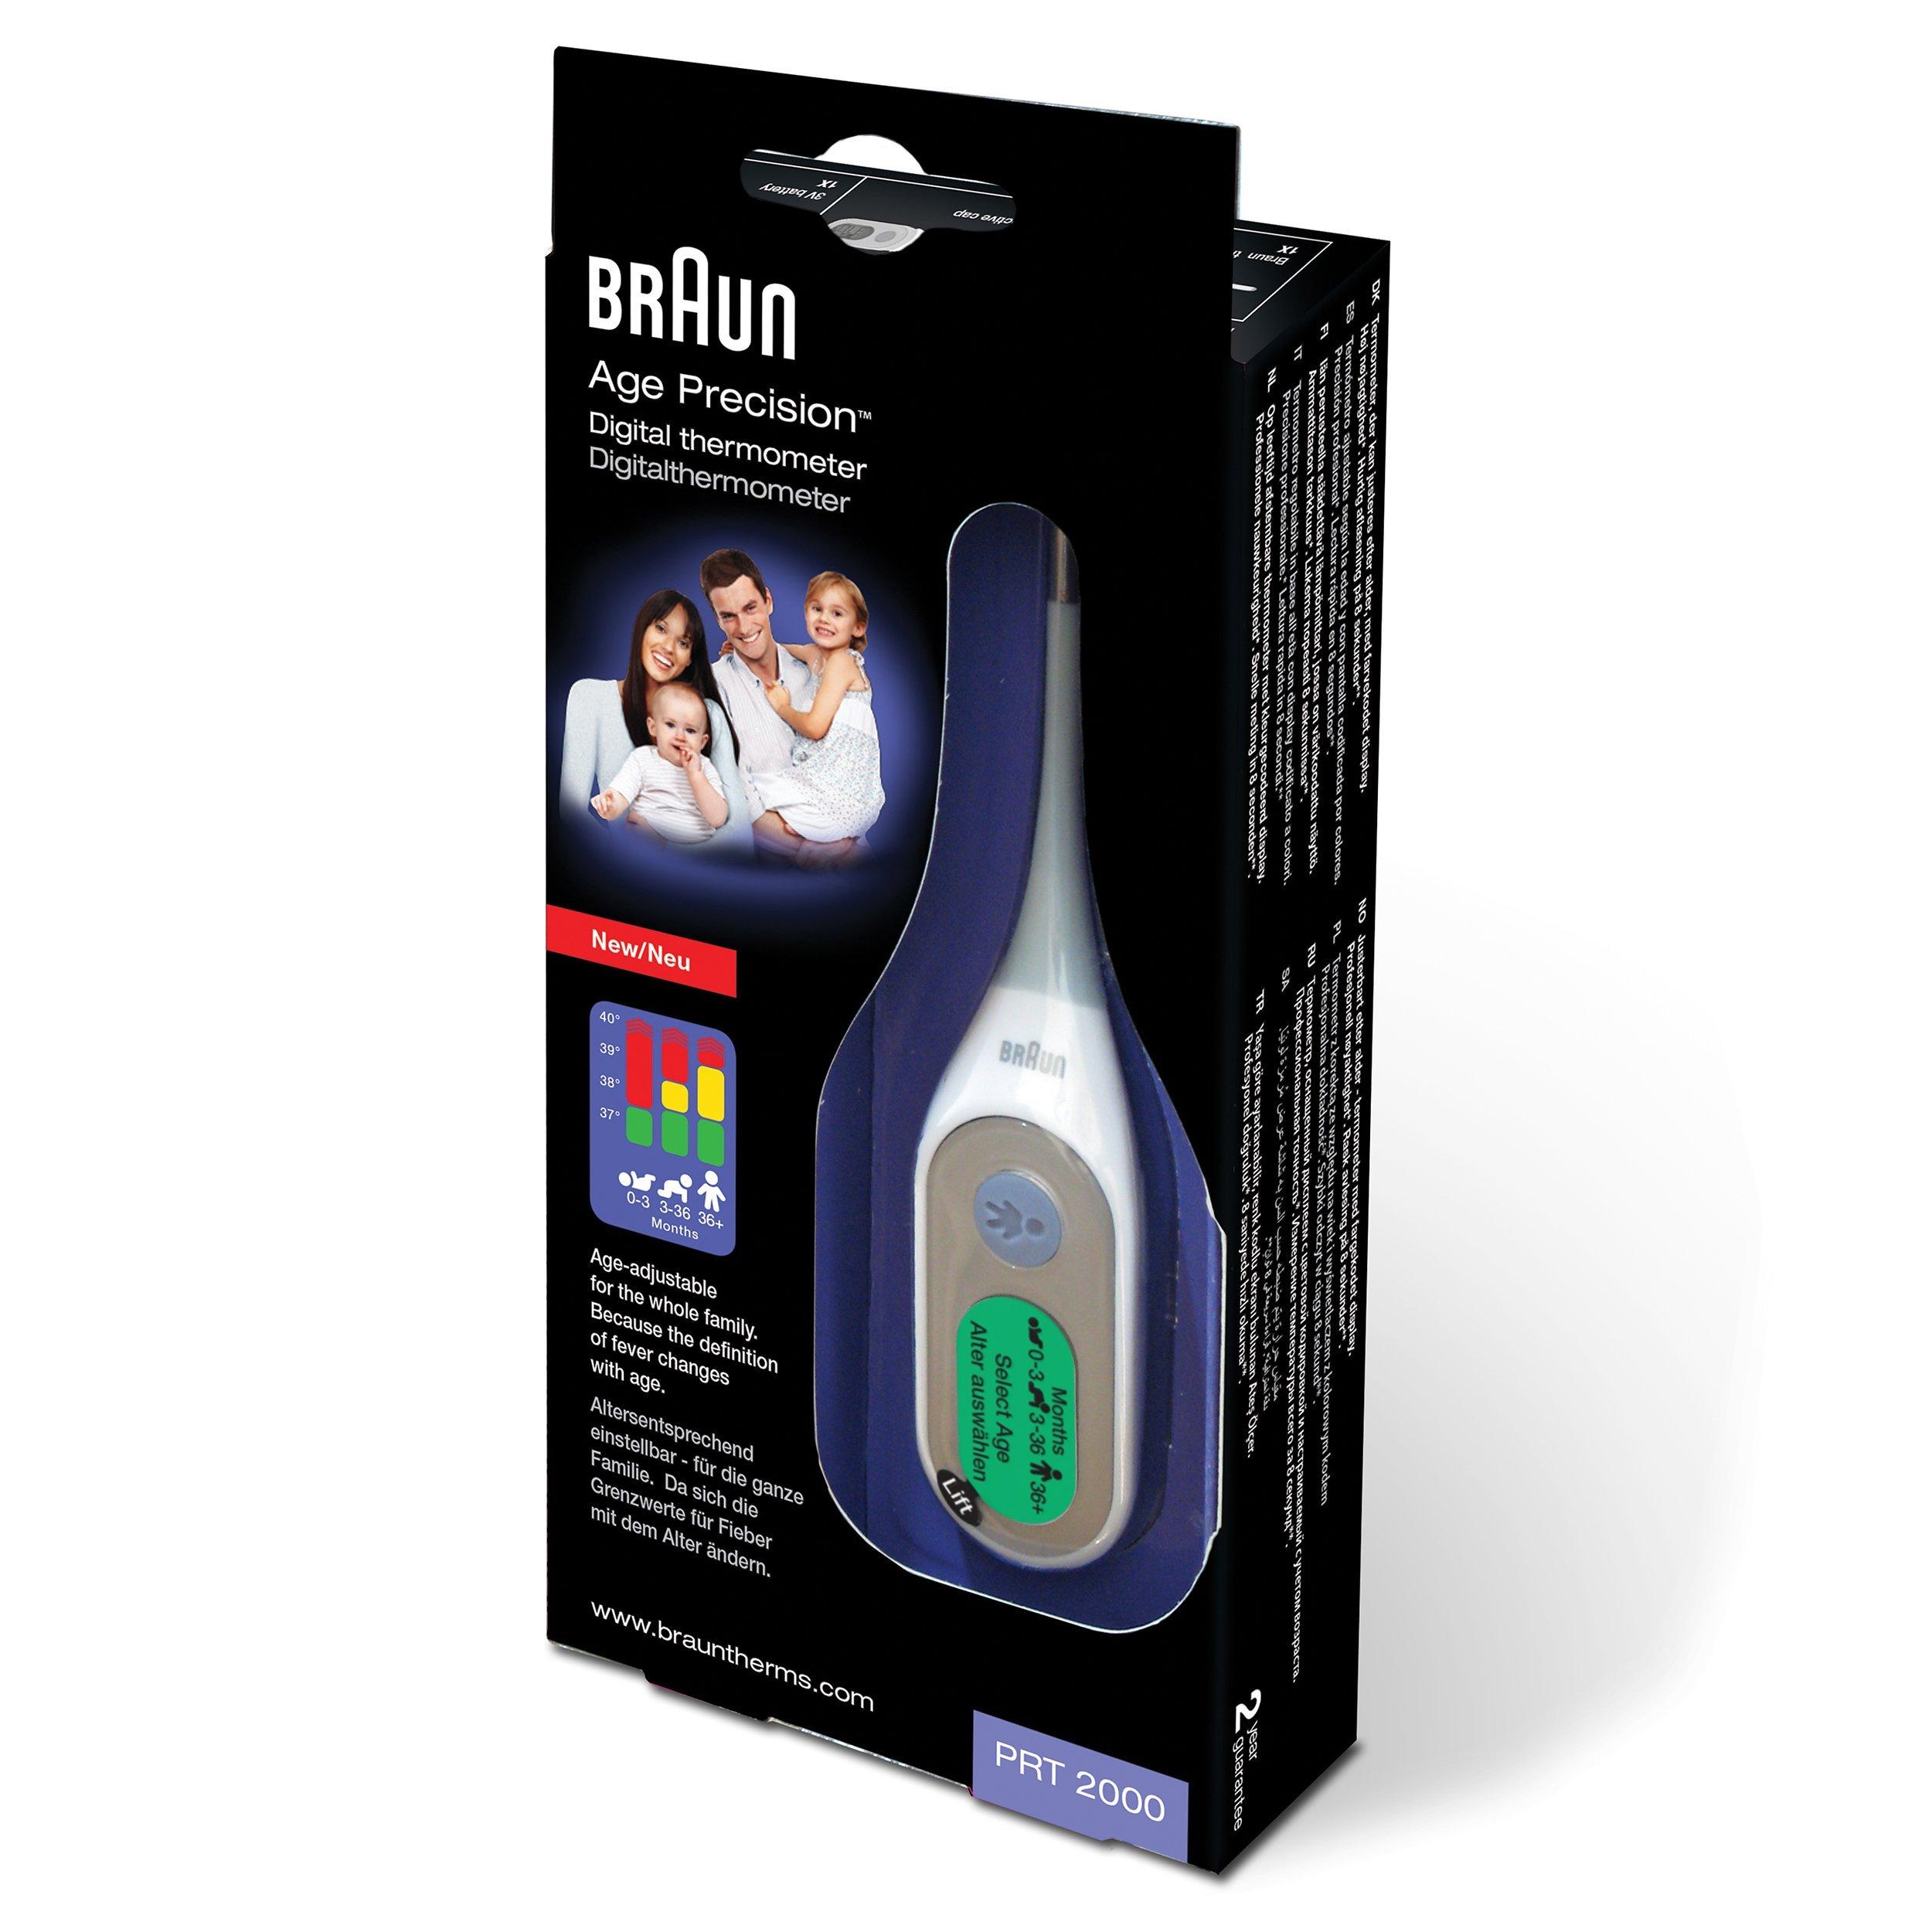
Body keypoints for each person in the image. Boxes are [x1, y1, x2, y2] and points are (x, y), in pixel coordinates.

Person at [558, 588, 753, 851]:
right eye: (661, 629)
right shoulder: (590, 697)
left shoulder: (708, 715)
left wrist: (662, 850)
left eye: (683, 643)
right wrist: (631, 859)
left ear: (690, 659)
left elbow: (740, 834)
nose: (669, 648)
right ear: (642, 630)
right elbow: (572, 814)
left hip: (702, 873)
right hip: (625, 871)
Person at [699, 549, 859, 864]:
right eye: (729, 616)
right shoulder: (712, 688)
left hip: (851, 851)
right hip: (782, 866)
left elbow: (851, 760)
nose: (744, 627)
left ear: (768, 601)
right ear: (718, 620)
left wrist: (845, 842)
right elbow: (738, 795)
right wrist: (813, 850)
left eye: (750, 608)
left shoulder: (815, 674)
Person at [751, 571, 885, 843]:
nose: (824, 619)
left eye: (837, 613)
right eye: (817, 609)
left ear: (858, 628)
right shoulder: (814, 654)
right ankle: (825, 846)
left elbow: (815, 727)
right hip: (824, 780)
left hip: (841, 794)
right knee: (752, 794)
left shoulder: (842, 662)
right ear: (806, 613)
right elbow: (779, 649)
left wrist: (782, 707)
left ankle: (830, 847)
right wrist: (746, 646)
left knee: (745, 791)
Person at [590, 683, 730, 845]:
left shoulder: (704, 767)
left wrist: (696, 776)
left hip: (697, 850)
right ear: (653, 727)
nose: (680, 736)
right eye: (670, 725)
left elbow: (718, 818)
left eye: (690, 730)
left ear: (702, 742)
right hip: (648, 844)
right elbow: (622, 793)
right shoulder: (642, 758)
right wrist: (610, 806)